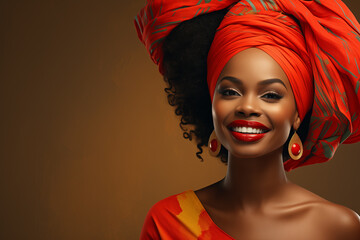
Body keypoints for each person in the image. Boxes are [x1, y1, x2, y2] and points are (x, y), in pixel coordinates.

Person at [134, 0, 360, 239]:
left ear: (297, 114)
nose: (247, 107)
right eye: (230, 92)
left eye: (270, 95)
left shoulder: (338, 228)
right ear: (211, 102)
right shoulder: (168, 221)